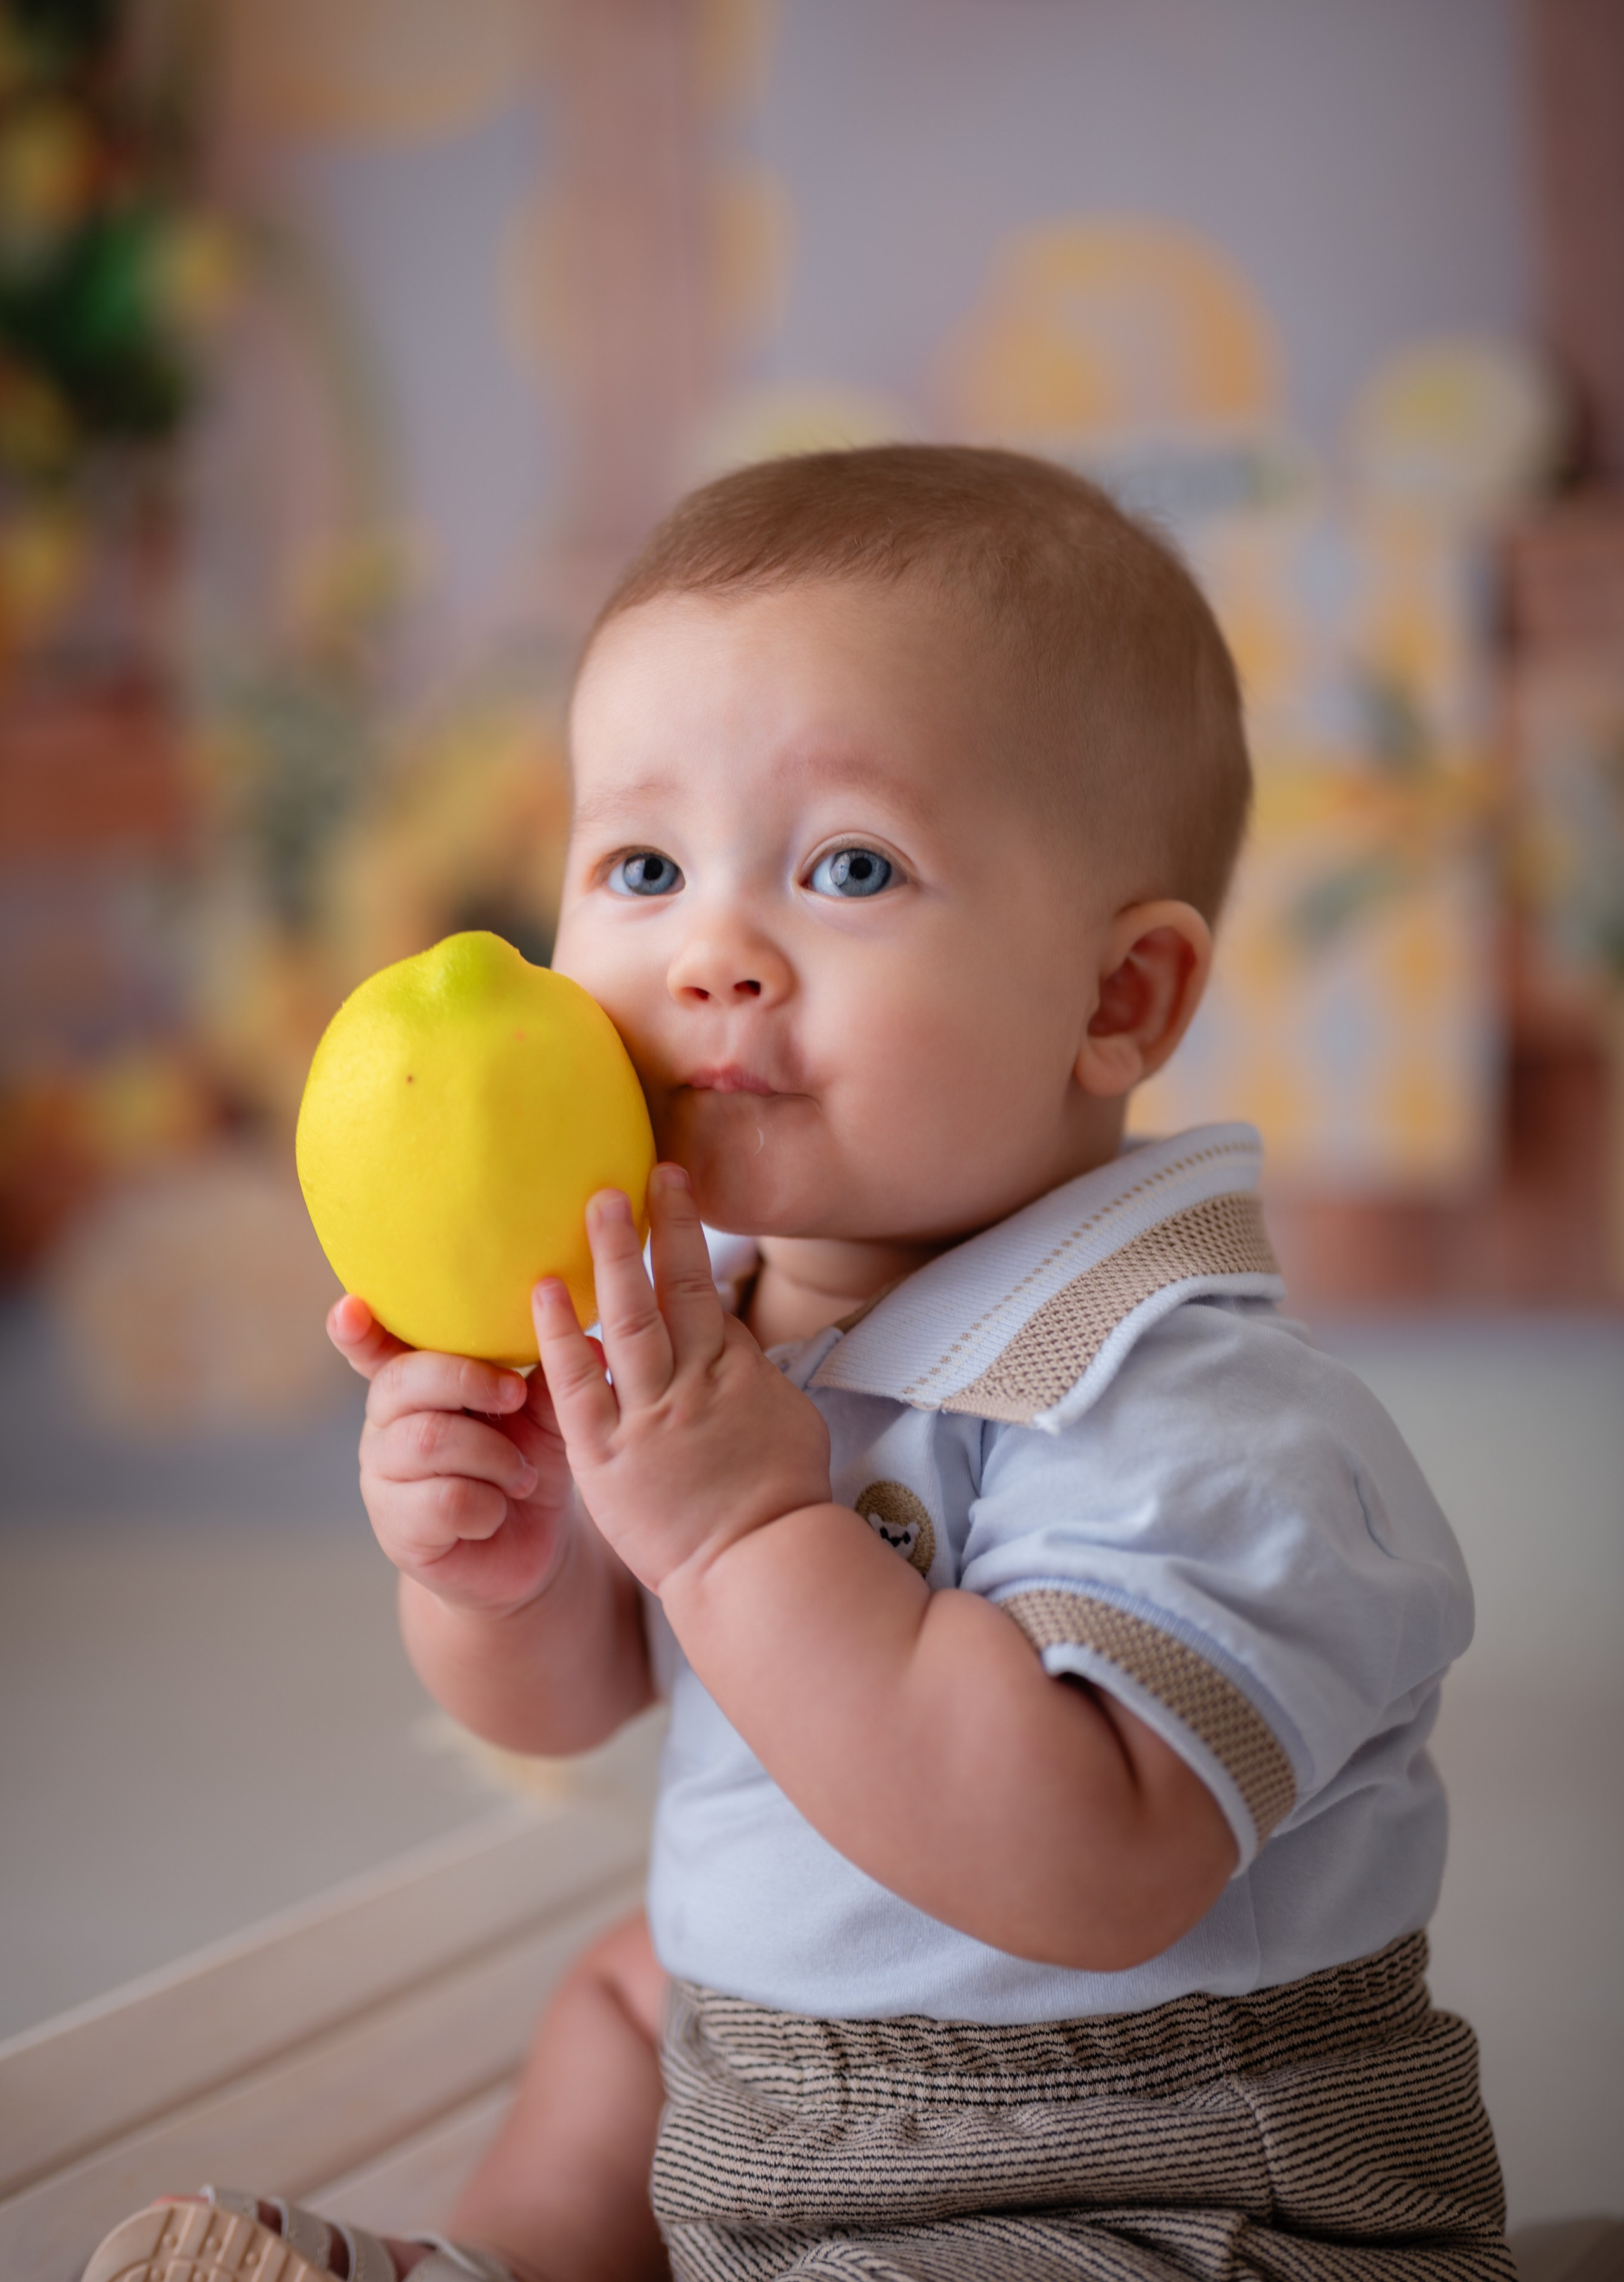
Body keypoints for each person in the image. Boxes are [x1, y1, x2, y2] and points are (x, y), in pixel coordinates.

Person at [84, 448, 1512, 2282]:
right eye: (644, 866)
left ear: (1119, 1000)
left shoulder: (1196, 1413)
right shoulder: (715, 1320)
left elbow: (1091, 1865)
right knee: (624, 1999)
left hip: (1142, 2190)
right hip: (779, 2096)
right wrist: (497, 1560)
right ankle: (495, 2259)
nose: (711, 955)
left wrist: (742, 1536)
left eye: (849, 868)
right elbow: (568, 1702)